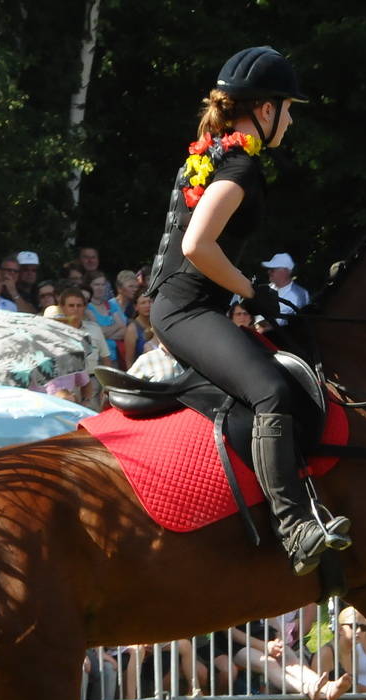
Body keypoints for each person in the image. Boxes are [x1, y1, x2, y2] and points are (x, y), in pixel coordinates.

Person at [143, 47, 346, 576]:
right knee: (270, 391)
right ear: (264, 109)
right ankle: (295, 528)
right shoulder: (239, 164)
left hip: (187, 305)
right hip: (186, 311)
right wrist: (252, 292)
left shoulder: (215, 154)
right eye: (288, 107)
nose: (292, 118)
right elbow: (196, 246)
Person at [260, 252, 309, 324]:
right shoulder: (263, 290)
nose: (268, 272)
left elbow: (302, 323)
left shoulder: (301, 294)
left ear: (285, 271)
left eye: (272, 270)